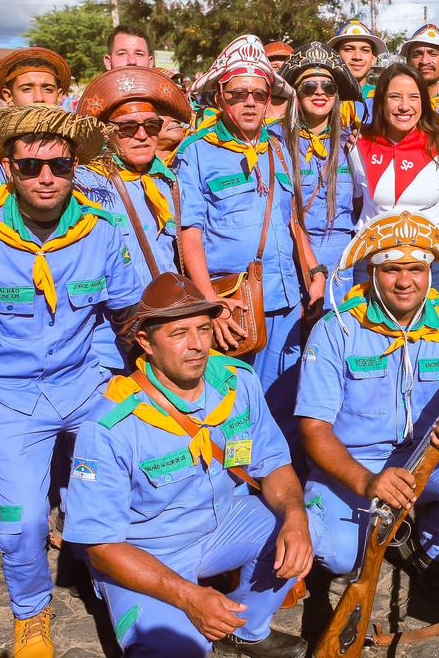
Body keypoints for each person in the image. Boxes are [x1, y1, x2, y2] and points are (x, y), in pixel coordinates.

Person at [0, 104, 144, 658]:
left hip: (87, 382)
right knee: (21, 519)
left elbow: (128, 319)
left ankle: (116, 586)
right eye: (31, 166)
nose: (45, 177)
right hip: (8, 397)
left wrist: (144, 391)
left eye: (58, 165)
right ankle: (31, 613)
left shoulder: (103, 230)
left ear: (75, 167)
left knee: (120, 488)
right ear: (10, 168)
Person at [64, 273, 310, 658]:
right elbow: (101, 546)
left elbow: (273, 463)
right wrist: (190, 596)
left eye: (204, 329)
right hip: (146, 552)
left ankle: (246, 630)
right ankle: (186, 620)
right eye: (179, 333)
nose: (197, 346)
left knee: (308, 528)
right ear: (146, 343)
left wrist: (296, 517)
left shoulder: (237, 382)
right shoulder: (110, 425)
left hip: (221, 523)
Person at [298, 210, 439, 582]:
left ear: (430, 275)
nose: (405, 281)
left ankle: (425, 548)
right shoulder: (335, 331)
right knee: (338, 555)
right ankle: (369, 539)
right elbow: (314, 431)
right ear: (372, 274)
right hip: (355, 464)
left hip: (429, 460)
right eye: (392, 270)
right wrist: (366, 482)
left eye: (416, 269)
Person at [176, 35, 318, 433]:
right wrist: (208, 306)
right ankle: (239, 487)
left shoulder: (279, 147)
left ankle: (280, 479)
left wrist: (316, 274)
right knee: (232, 407)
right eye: (239, 94)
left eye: (260, 93)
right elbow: (190, 235)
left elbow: (293, 219)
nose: (251, 102)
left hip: (287, 298)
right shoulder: (197, 151)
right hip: (232, 305)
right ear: (221, 97)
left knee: (285, 400)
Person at [77, 66, 194, 279]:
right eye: (128, 127)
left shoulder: (172, 184)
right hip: (116, 311)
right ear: (106, 132)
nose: (141, 135)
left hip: (167, 307)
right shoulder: (87, 183)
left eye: (151, 125)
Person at [0, 48, 76, 233]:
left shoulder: (78, 146)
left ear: (60, 96)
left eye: (47, 89)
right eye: (27, 89)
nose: (39, 98)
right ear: (8, 96)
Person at [280, 42, 362, 301]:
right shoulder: (274, 141)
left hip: (343, 264)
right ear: (296, 93)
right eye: (309, 87)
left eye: (328, 87)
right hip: (294, 258)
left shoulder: (353, 143)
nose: (320, 93)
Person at [349, 63, 439, 230]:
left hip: (428, 253)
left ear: (423, 101)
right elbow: (356, 202)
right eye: (395, 97)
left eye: (414, 97)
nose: (404, 107)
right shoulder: (359, 146)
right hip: (373, 252)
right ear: (381, 101)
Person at [328, 18, 385, 94]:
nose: (357, 57)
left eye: (365, 50)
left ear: (373, 59)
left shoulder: (382, 97)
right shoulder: (323, 96)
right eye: (348, 49)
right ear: (335, 57)